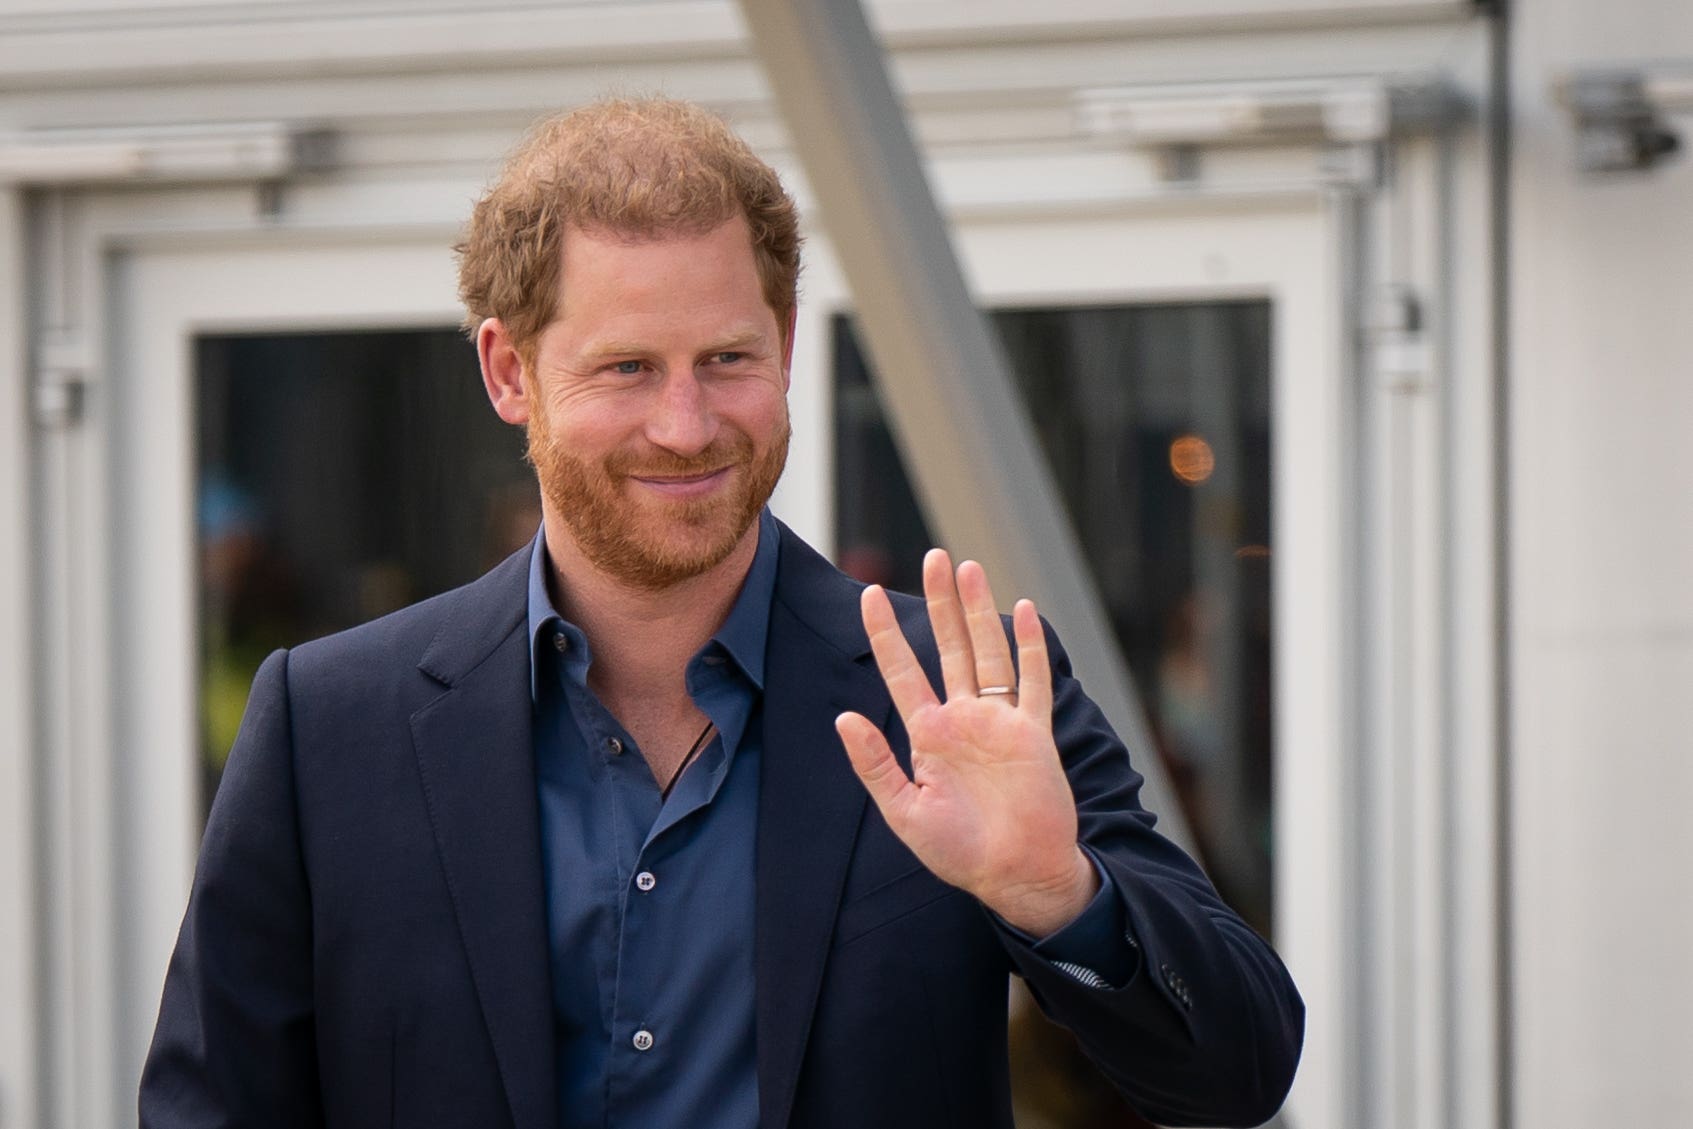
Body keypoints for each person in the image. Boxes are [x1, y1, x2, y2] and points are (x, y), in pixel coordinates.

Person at [139, 96, 1302, 1129]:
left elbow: (1239, 1073)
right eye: (628, 367)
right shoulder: (331, 727)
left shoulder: (961, 686)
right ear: (508, 373)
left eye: (728, 357)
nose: (688, 426)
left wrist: (1060, 897)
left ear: (788, 346)